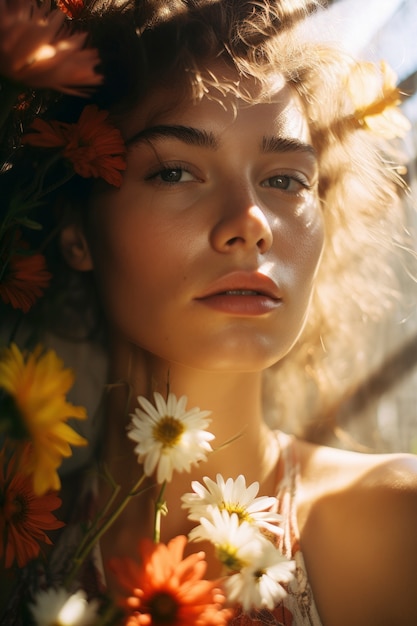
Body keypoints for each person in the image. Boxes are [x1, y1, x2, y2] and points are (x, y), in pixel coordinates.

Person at [1, 1, 417, 625]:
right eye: (175, 172)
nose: (249, 223)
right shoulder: (19, 547)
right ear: (76, 232)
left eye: (285, 181)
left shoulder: (392, 521)